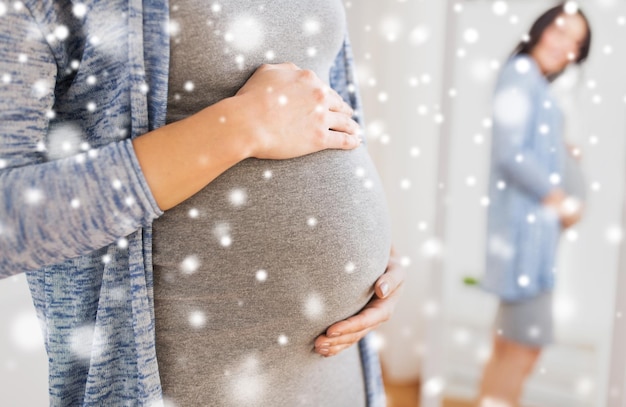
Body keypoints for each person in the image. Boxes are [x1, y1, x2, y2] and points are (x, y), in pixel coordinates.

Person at [0, 1, 403, 406]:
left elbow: (318, 101)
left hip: (335, 371)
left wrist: (371, 257)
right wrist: (241, 126)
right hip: (188, 382)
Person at [477, 3, 592, 406]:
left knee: (509, 346)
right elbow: (511, 154)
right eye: (562, 32)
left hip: (530, 242)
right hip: (525, 245)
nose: (567, 48)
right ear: (541, 28)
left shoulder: (534, 82)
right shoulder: (522, 73)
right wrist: (561, 202)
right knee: (523, 348)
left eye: (576, 43)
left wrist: (561, 150)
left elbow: (531, 147)